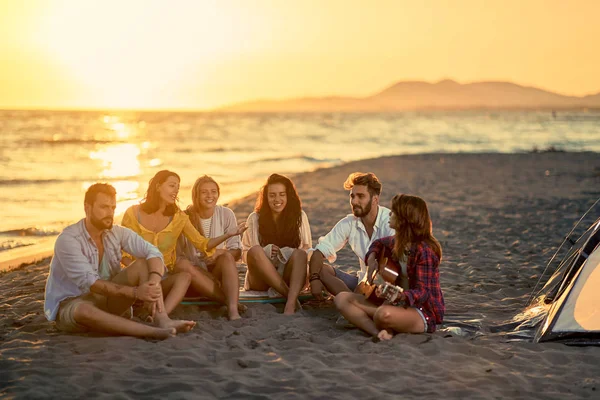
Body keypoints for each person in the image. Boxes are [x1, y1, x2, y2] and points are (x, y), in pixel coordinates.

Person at [44, 183, 196, 340]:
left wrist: (154, 282)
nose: (110, 213)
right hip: (74, 303)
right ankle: (149, 332)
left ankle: (163, 320)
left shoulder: (116, 232)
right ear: (87, 207)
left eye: (112, 208)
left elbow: (153, 252)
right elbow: (92, 283)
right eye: (104, 207)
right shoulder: (69, 239)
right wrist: (136, 292)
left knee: (143, 263)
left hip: (109, 301)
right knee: (83, 310)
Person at [121, 171, 247, 317]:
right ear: (158, 186)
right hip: (138, 276)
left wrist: (229, 234)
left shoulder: (178, 217)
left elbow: (202, 243)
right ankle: (230, 302)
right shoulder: (132, 213)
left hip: (163, 277)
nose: (176, 191)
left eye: (178, 187)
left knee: (185, 276)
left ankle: (160, 316)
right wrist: (142, 274)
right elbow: (122, 251)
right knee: (175, 266)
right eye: (172, 186)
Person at [334, 194, 444, 340]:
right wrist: (372, 257)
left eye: (394, 212)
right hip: (394, 304)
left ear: (404, 219)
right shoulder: (397, 242)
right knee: (341, 299)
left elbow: (423, 292)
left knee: (382, 314)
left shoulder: (425, 251)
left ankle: (379, 322)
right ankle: (378, 333)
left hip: (421, 310)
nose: (389, 214)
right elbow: (378, 243)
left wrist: (400, 295)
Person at [308, 172, 394, 299]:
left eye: (360, 196)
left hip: (386, 285)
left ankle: (352, 303)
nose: (354, 201)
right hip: (362, 283)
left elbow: (394, 262)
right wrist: (314, 278)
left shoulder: (389, 221)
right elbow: (319, 252)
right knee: (321, 269)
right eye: (352, 196)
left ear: (375, 199)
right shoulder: (350, 223)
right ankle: (353, 301)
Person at [242, 174, 312, 315]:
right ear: (266, 198)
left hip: (288, 274)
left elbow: (306, 248)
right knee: (255, 250)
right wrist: (265, 251)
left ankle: (290, 305)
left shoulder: (300, 216)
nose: (277, 200)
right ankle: (290, 297)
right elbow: (245, 256)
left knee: (300, 253)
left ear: (288, 196)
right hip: (261, 279)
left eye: (281, 194)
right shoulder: (254, 218)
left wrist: (286, 252)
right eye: (272, 195)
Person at [176, 175, 244, 320]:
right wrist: (197, 267)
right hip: (195, 277)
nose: (210, 196)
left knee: (226, 256)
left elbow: (237, 252)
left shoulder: (226, 214)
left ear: (218, 194)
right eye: (204, 192)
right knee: (186, 267)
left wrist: (219, 252)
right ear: (196, 195)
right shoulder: (184, 217)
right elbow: (178, 256)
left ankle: (233, 311)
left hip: (217, 273)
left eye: (213, 191)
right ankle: (230, 301)